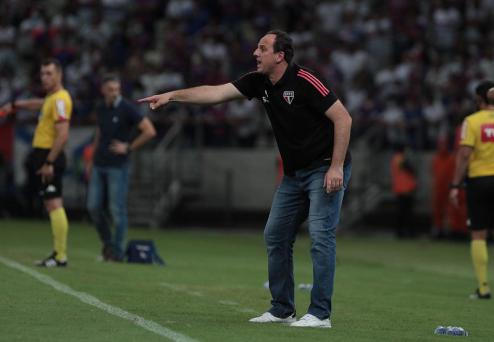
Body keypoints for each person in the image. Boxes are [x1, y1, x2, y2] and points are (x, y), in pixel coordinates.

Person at [139, 30, 352, 328]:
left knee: (320, 237)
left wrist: (337, 167)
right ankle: (282, 309)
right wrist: (172, 95)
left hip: (324, 168)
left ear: (280, 55)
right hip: (294, 175)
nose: (255, 52)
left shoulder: (305, 80)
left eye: (262, 48)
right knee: (275, 235)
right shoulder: (258, 81)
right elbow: (215, 93)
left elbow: (344, 118)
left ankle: (319, 314)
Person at [0, 58, 72, 267]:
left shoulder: (60, 99)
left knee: (54, 202)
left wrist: (49, 161)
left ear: (59, 75)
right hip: (44, 155)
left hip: (50, 155)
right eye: (42, 74)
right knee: (51, 203)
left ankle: (61, 256)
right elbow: (39, 103)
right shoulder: (52, 98)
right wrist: (15, 105)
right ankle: (58, 254)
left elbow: (63, 134)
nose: (45, 77)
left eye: (49, 73)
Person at [86, 75, 156, 261]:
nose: (115, 93)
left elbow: (149, 130)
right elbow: (99, 133)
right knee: (93, 207)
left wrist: (128, 147)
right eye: (111, 90)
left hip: (118, 166)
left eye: (117, 90)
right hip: (99, 164)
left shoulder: (127, 108)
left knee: (117, 210)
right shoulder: (101, 107)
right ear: (103, 90)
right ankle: (108, 244)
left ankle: (116, 252)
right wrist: (91, 160)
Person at [450, 80, 494, 300]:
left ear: (478, 99)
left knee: (479, 233)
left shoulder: (472, 121)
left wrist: (456, 184)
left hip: (480, 180)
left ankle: (484, 288)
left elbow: (465, 154)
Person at [390, 144, 417, 238]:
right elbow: (410, 169)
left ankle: (401, 232)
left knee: (402, 213)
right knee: (406, 213)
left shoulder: (395, 158)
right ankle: (407, 232)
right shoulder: (400, 158)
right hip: (405, 190)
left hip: (401, 189)